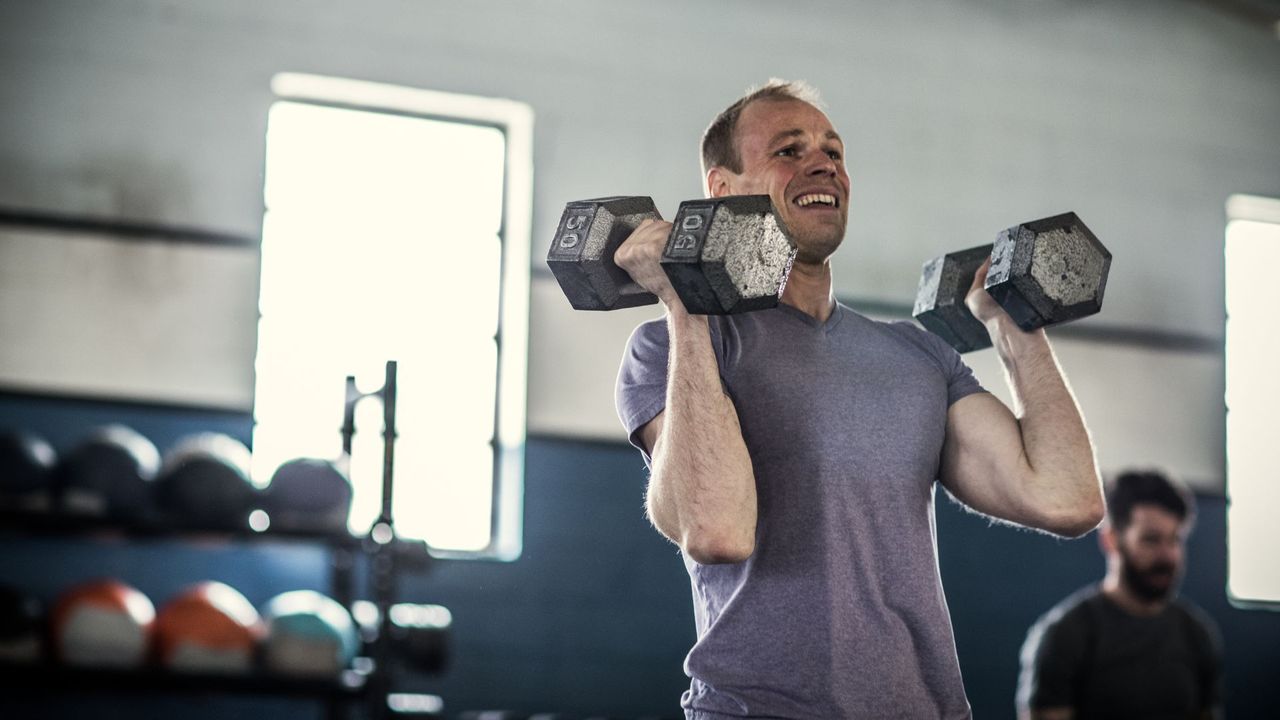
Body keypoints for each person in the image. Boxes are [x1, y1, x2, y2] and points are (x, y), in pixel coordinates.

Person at [611, 78, 1105, 718]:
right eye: (788, 150)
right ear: (722, 191)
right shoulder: (673, 348)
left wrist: (1013, 325)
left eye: (834, 151)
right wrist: (684, 298)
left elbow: (1067, 498)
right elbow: (716, 530)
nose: (823, 164)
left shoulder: (920, 356)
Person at [1016, 470, 1224, 720]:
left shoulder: (1197, 634)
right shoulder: (1066, 634)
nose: (1168, 556)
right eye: (1151, 540)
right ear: (1112, 540)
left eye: (1175, 540)